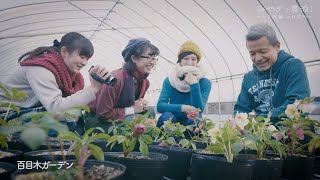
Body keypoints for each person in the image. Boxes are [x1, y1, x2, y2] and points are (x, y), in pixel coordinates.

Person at [0, 32, 110, 121]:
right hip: (6, 115)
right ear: (64, 51)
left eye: (87, 59)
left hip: (23, 112)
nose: (84, 63)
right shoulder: (42, 69)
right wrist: (93, 88)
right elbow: (56, 109)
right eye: (82, 56)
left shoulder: (71, 76)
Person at [234, 23, 310, 122]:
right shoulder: (249, 78)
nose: (257, 58)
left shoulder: (293, 66)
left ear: (277, 46)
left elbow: (298, 104)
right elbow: (240, 109)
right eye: (252, 53)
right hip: (260, 135)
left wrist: (256, 121)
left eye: (263, 51)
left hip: (292, 133)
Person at [85, 37, 159, 130]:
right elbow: (103, 114)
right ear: (134, 58)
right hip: (98, 122)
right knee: (136, 121)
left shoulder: (144, 82)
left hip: (119, 118)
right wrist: (133, 109)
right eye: (148, 57)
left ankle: (146, 142)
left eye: (154, 58)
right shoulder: (116, 79)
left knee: (151, 111)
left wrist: (141, 105)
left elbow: (134, 104)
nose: (152, 62)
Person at [156, 40, 212, 127]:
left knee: (197, 120)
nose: (189, 63)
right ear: (180, 60)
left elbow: (199, 110)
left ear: (197, 61)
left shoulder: (204, 82)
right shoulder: (170, 80)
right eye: (185, 58)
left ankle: (194, 141)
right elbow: (160, 106)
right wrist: (183, 108)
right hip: (173, 120)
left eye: (193, 59)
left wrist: (194, 84)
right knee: (165, 118)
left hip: (191, 122)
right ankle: (163, 141)